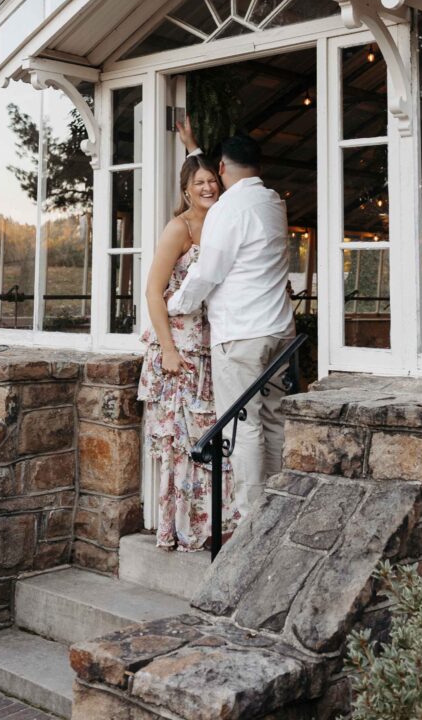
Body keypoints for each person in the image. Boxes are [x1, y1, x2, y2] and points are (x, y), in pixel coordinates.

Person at [167, 133, 295, 518]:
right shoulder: (274, 202)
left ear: (221, 169)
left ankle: (253, 518)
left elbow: (208, 273)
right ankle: (278, 505)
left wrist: (174, 304)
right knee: (272, 418)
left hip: (241, 335)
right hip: (280, 332)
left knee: (243, 426)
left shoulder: (228, 209)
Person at [138, 136, 239, 551]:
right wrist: (167, 350)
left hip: (214, 344)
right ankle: (184, 528)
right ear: (185, 191)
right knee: (184, 442)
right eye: (198, 182)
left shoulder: (222, 221)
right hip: (179, 350)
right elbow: (152, 292)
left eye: (212, 180)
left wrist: (194, 147)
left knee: (216, 434)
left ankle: (219, 520)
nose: (208, 187)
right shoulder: (178, 228)